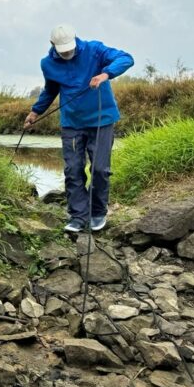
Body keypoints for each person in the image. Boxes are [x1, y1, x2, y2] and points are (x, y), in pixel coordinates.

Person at [24, 25, 133, 233]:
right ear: (53, 45)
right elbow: (51, 89)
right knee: (73, 170)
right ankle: (78, 216)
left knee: (100, 169)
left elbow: (126, 58)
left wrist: (105, 74)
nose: (67, 53)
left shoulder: (94, 50)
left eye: (70, 49)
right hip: (72, 123)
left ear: (75, 41)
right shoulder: (48, 64)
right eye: (62, 50)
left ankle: (98, 212)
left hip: (102, 119)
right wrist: (35, 112)